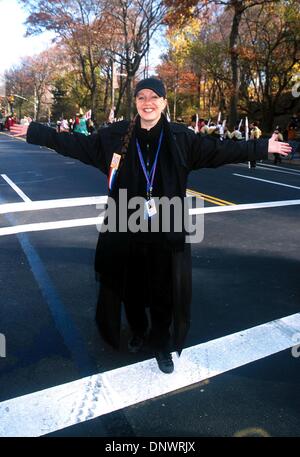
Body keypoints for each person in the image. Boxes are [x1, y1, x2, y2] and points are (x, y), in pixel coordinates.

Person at [11, 77, 291, 374]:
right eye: (141, 96)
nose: (148, 102)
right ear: (135, 102)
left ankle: (161, 343)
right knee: (130, 288)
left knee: (163, 290)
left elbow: (220, 150)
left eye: (154, 96)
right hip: (124, 222)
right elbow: (74, 144)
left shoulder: (182, 138)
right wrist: (37, 132)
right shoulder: (115, 137)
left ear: (164, 102)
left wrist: (262, 146)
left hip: (166, 223)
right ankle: (138, 331)